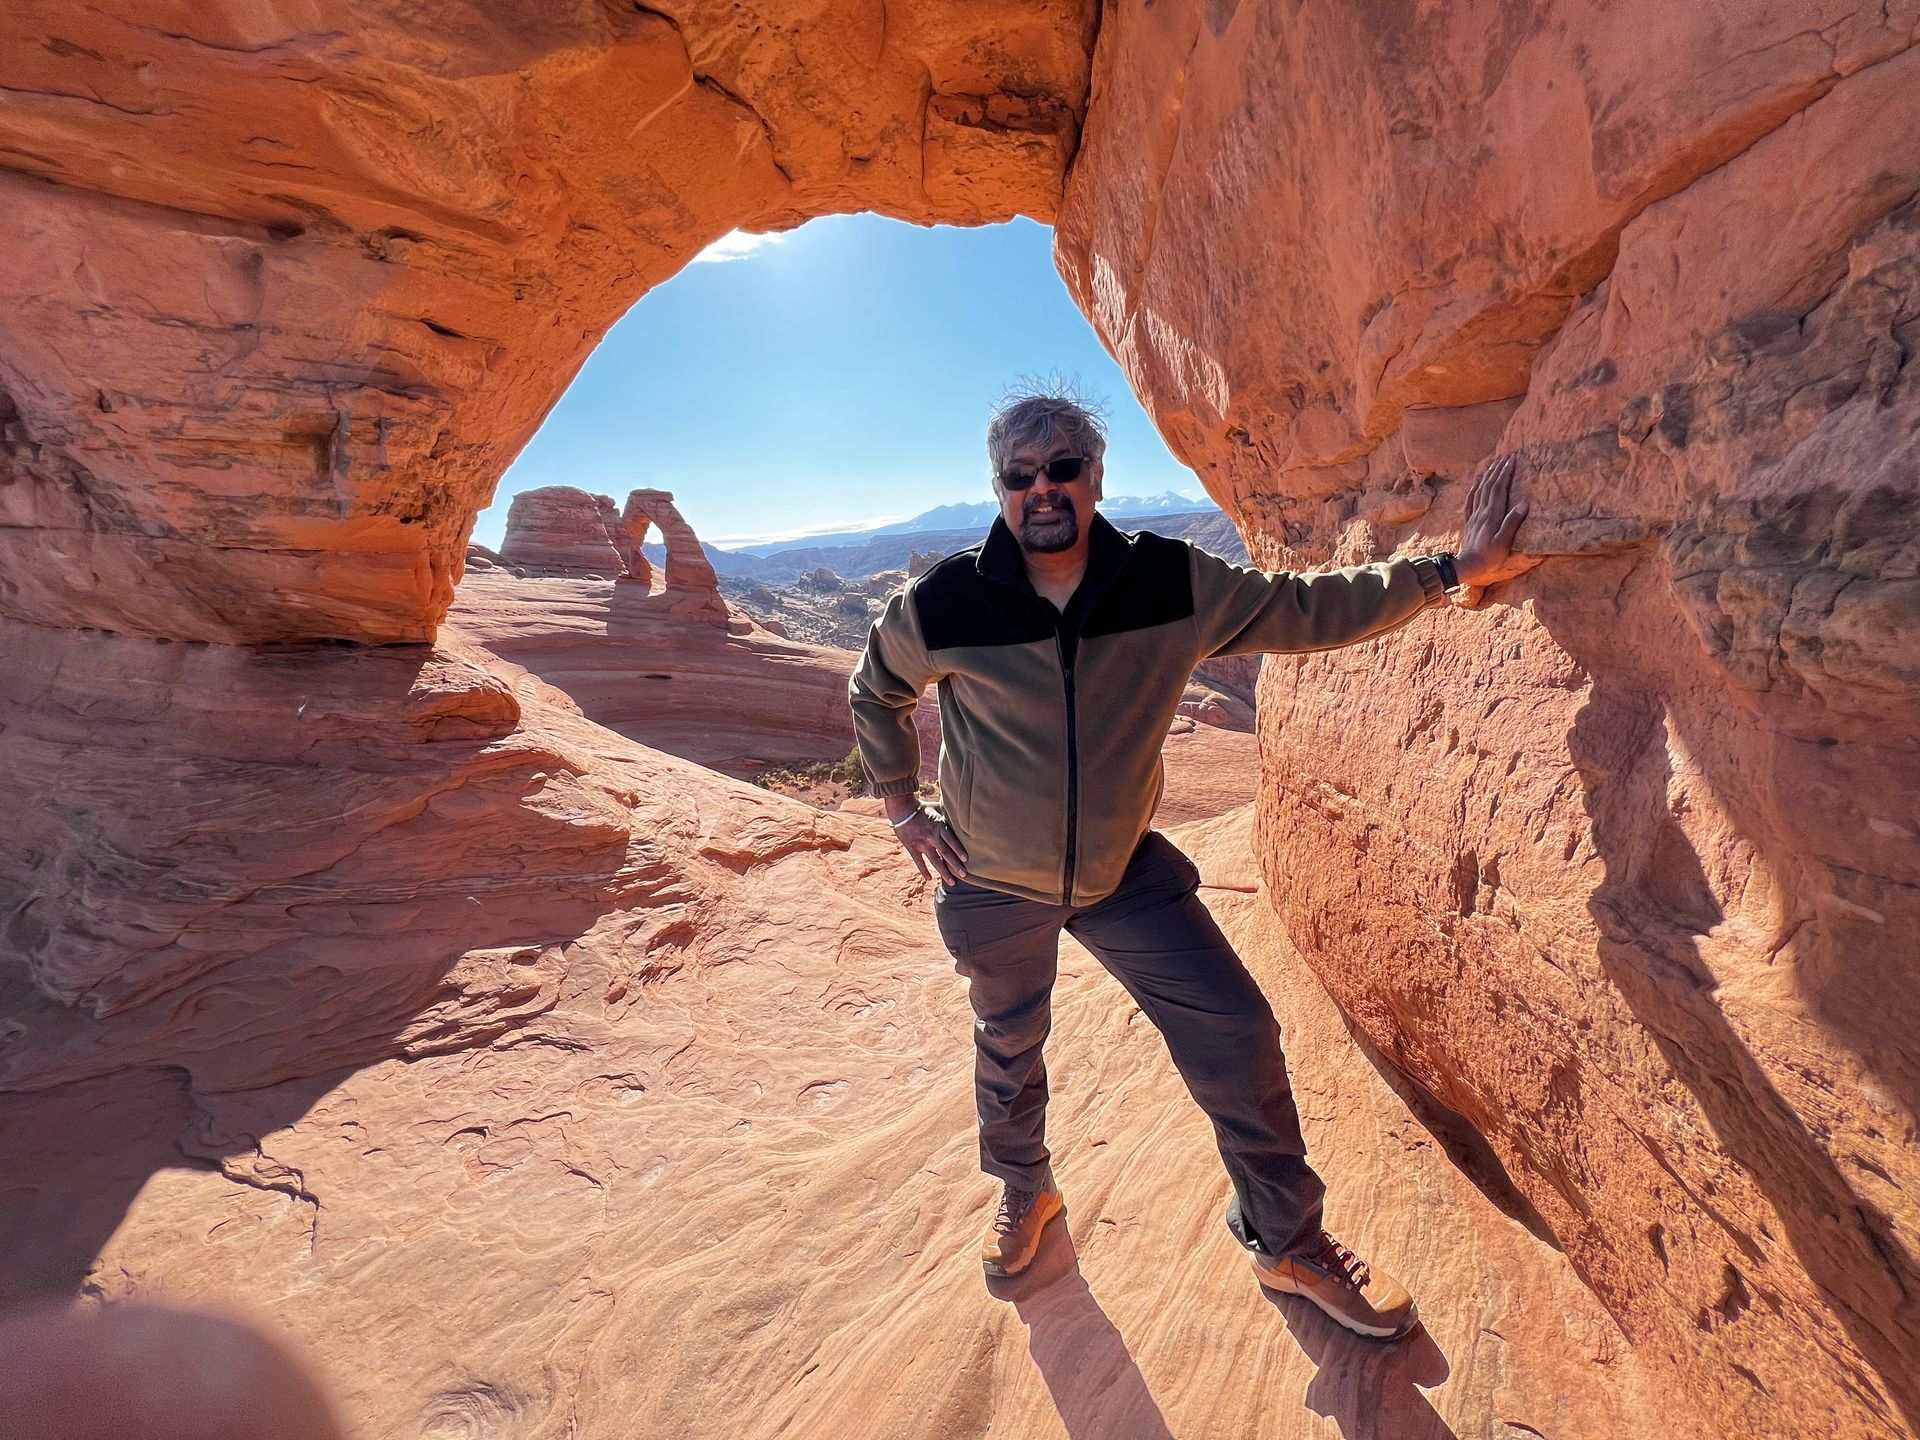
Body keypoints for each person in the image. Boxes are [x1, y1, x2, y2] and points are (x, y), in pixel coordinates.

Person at [847, 387, 1535, 1341]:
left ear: (1094, 476)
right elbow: (874, 687)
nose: (1043, 490)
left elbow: (1304, 609)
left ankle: (1287, 1241)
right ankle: (1024, 1190)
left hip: (1123, 873)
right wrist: (898, 805)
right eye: (1021, 476)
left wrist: (1450, 570)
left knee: (1241, 1034)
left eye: (1062, 470)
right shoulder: (946, 601)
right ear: (998, 488)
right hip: (992, 879)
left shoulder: (1170, 581)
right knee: (1008, 1050)